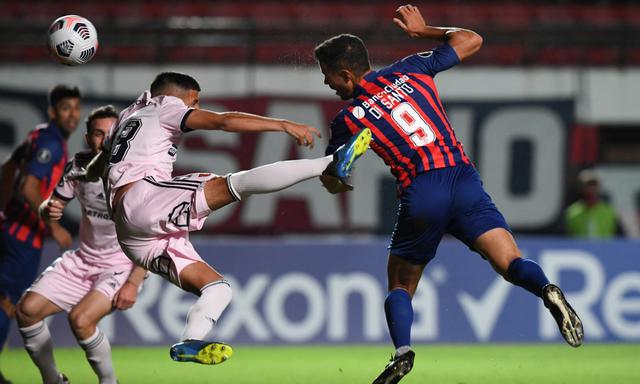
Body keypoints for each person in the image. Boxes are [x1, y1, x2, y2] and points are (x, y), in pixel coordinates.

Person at [314, 5, 584, 384]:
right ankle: (547, 289)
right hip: (463, 179)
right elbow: (472, 39)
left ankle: (403, 353)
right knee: (509, 261)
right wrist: (423, 31)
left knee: (400, 285)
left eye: (328, 77)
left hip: (422, 189)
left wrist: (337, 180)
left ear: (344, 73)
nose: (328, 85)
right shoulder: (409, 69)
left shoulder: (347, 119)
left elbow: (332, 176)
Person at [78, 71, 371, 365]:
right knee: (236, 184)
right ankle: (329, 164)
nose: (194, 109)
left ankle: (190, 341)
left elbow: (95, 168)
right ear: (181, 96)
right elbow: (223, 121)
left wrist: (87, 172)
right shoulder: (167, 106)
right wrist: (282, 124)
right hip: (143, 201)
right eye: (194, 102)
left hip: (131, 234)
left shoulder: (130, 113)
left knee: (218, 288)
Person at [14, 106, 147, 384]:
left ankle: (109, 382)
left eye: (112, 134)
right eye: (99, 134)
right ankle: (53, 380)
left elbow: (152, 235)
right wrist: (48, 211)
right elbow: (52, 205)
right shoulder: (79, 166)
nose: (106, 140)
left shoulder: (139, 176)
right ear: (88, 138)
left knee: (81, 320)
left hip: (119, 266)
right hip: (83, 260)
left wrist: (134, 281)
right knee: (27, 310)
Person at [0, 85, 80, 383]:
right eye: (65, 108)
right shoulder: (53, 143)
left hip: (9, 224)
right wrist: (54, 226)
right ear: (53, 111)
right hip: (23, 234)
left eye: (75, 107)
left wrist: (1, 209)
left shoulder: (39, 134)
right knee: (7, 302)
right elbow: (28, 187)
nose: (72, 114)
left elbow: (9, 167)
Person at [565, 169, 618, 238]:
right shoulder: (572, 212)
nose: (591, 189)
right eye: (588, 185)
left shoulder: (610, 212)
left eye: (594, 185)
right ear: (581, 188)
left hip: (605, 248)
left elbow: (620, 237)